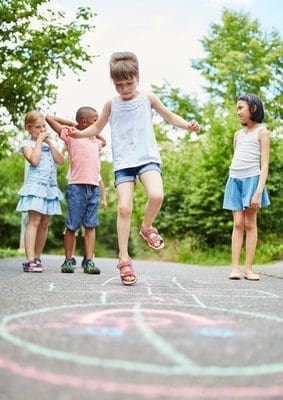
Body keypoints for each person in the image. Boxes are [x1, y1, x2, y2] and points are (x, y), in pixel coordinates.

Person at [69, 51, 200, 286]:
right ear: (113, 82)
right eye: (119, 85)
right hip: (123, 163)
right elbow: (97, 126)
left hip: (147, 157)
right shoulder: (111, 103)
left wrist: (187, 126)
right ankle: (124, 258)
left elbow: (170, 117)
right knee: (123, 208)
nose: (125, 89)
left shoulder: (147, 98)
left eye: (128, 83)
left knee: (157, 194)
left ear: (137, 77)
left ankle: (147, 227)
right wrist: (79, 133)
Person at [46, 106, 106, 274]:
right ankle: (68, 260)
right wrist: (74, 124)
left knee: (90, 226)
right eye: (95, 121)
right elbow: (49, 118)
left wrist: (92, 129)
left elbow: (105, 141)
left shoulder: (95, 140)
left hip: (93, 187)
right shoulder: (71, 136)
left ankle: (89, 261)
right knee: (72, 225)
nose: (98, 124)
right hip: (77, 187)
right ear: (85, 122)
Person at [223, 94, 270, 281]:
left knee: (250, 224)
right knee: (238, 223)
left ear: (253, 109)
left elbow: (264, 164)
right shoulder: (237, 135)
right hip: (234, 179)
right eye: (237, 109)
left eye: (241, 108)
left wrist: (258, 192)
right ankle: (234, 268)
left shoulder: (262, 132)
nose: (238, 112)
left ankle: (248, 269)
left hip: (252, 180)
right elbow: (237, 158)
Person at [16, 111, 64, 272]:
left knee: (44, 224)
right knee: (34, 221)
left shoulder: (46, 144)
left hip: (50, 188)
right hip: (36, 186)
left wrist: (49, 142)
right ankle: (29, 260)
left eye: (44, 126)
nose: (42, 129)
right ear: (28, 128)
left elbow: (61, 160)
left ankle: (37, 257)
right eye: (38, 127)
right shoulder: (26, 144)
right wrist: (39, 142)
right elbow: (34, 161)